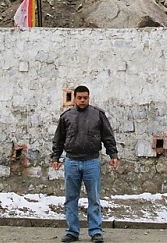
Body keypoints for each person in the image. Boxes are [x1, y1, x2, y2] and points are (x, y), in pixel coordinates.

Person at [51, 85, 119, 243]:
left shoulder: (98, 115)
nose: (82, 100)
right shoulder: (66, 116)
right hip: (71, 162)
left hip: (91, 162)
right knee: (70, 198)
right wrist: (56, 157)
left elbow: (108, 136)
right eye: (79, 97)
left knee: (94, 198)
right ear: (74, 98)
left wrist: (113, 154)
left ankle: (95, 231)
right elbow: (59, 139)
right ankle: (72, 231)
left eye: (85, 98)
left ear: (89, 98)